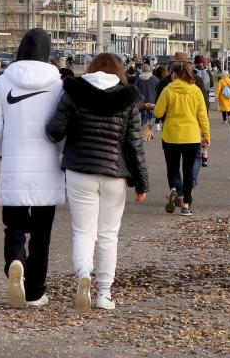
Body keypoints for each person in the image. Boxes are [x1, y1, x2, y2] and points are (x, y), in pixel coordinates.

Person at [45, 53, 147, 312]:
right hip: (115, 173)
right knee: (108, 235)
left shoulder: (74, 92)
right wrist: (142, 183)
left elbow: (55, 130)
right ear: (118, 71)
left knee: (83, 232)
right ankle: (104, 293)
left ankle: (83, 274)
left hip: (80, 170)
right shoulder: (127, 98)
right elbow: (135, 145)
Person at [0, 28, 66, 308]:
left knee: (14, 226)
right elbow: (64, 126)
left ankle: (16, 260)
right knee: (42, 234)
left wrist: (6, 150)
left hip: (15, 165)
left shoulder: (4, 83)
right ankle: (35, 291)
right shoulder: (58, 85)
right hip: (48, 167)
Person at [154, 59, 211, 215]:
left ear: (174, 74)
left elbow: (158, 113)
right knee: (188, 171)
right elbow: (203, 116)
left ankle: (174, 189)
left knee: (172, 167)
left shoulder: (168, 90)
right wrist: (206, 134)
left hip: (171, 136)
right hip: (191, 137)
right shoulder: (195, 91)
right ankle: (186, 205)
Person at [134, 64, 159, 141]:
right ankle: (147, 134)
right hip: (152, 102)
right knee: (151, 119)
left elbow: (135, 90)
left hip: (142, 103)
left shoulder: (139, 79)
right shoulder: (155, 79)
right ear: (149, 70)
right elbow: (158, 91)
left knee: (144, 119)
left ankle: (147, 134)